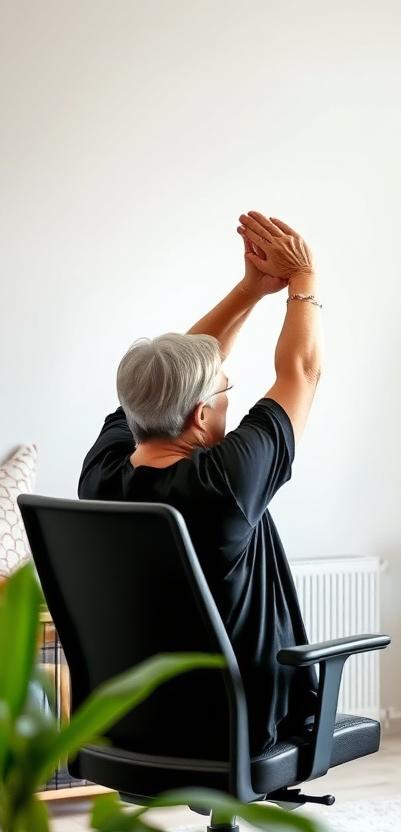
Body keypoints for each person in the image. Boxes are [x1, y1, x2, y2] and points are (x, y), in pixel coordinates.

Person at [79, 212, 323, 756]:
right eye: (224, 392)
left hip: (130, 722)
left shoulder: (100, 475)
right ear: (198, 417)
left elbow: (164, 378)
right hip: (235, 729)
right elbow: (301, 374)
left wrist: (251, 289)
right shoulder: (226, 483)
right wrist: (303, 281)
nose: (228, 400)